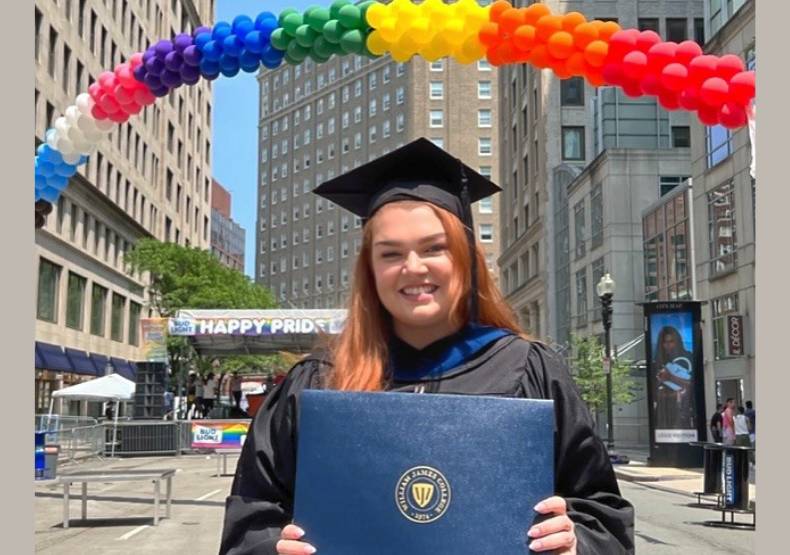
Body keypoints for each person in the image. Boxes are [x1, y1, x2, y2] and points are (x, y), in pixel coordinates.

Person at [219, 139, 634, 555]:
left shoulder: (530, 370)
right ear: (371, 269)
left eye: (434, 248)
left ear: (465, 258)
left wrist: (576, 542)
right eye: (391, 253)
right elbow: (251, 518)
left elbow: (604, 516)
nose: (413, 268)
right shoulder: (317, 381)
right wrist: (272, 548)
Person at [652, 326, 694, 429]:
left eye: (671, 342)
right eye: (665, 342)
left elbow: (691, 384)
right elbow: (654, 391)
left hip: (683, 410)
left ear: (677, 342)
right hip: (663, 412)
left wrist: (670, 377)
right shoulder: (657, 362)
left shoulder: (687, 358)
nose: (668, 345)